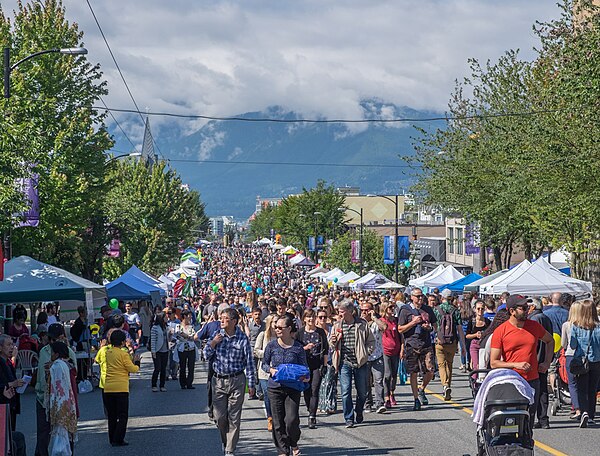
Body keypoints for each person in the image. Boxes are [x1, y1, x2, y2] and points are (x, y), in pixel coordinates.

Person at [490, 295, 554, 431]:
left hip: (532, 380)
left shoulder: (534, 326)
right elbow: (494, 363)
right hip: (512, 381)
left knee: (529, 418)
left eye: (528, 307)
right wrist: (515, 364)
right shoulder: (501, 331)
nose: (527, 310)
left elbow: (550, 341)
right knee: (512, 418)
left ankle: (526, 446)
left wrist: (547, 362)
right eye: (523, 308)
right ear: (512, 311)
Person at [204, 307, 256, 456]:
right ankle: (225, 441)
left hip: (237, 380)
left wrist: (251, 384)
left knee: (234, 417)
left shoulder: (242, 338)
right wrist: (213, 343)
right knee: (220, 417)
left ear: (234, 321)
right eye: (221, 317)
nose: (221, 320)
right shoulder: (216, 335)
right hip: (218, 381)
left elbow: (250, 362)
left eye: (225, 318)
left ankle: (229, 450)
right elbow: (205, 355)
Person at [263, 313, 308, 456]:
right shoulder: (271, 346)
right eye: (275, 327)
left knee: (291, 419)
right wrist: (270, 370)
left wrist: (305, 377)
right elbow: (263, 364)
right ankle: (282, 450)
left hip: (293, 387)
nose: (277, 330)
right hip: (275, 387)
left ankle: (293, 441)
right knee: (277, 422)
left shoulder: (298, 348)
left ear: (289, 329)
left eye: (280, 327)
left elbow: (304, 367)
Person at [329, 299, 375, 428]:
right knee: (346, 391)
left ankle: (359, 410)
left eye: (342, 311)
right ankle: (349, 418)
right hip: (344, 362)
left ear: (350, 311)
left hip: (360, 363)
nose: (340, 314)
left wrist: (366, 353)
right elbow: (332, 344)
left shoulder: (361, 324)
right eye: (339, 311)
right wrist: (333, 341)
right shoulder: (337, 326)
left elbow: (371, 341)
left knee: (362, 392)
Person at [35, 323, 77, 456]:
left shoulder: (67, 352)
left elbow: (73, 374)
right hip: (44, 398)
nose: (52, 342)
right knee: (43, 433)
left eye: (56, 339)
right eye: (51, 339)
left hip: (62, 401)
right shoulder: (44, 351)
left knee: (65, 431)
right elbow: (41, 376)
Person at [398, 288, 437, 410]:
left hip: (426, 344)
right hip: (412, 344)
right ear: (412, 297)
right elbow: (400, 329)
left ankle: (421, 389)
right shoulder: (405, 310)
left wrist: (430, 327)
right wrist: (413, 323)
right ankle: (415, 399)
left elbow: (435, 325)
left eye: (422, 296)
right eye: (418, 296)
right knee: (413, 372)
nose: (420, 299)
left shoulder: (428, 309)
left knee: (431, 370)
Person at [566, 300, 600, 428]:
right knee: (592, 389)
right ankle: (591, 415)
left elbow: (573, 345)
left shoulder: (576, 326)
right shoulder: (599, 326)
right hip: (596, 361)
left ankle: (583, 411)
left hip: (581, 360)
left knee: (581, 389)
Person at [103, 329, 141, 446]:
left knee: (112, 416)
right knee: (122, 415)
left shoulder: (108, 353)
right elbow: (132, 369)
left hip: (108, 387)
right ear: (123, 342)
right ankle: (118, 438)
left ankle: (112, 438)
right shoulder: (123, 354)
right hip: (121, 388)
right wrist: (137, 362)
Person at [296, 309, 327, 428]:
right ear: (304, 319)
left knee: (315, 389)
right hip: (304, 366)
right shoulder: (300, 333)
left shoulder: (320, 332)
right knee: (307, 391)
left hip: (317, 364)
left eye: (313, 317)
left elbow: (325, 349)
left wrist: (324, 365)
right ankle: (310, 408)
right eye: (308, 317)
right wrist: (305, 348)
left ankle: (312, 416)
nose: (311, 319)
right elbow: (296, 350)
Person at [46, 341, 78, 455]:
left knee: (60, 436)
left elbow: (56, 387)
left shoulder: (57, 365)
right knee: (64, 436)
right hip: (68, 402)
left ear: (56, 353)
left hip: (59, 402)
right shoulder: (65, 364)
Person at [433, 293, 466, 401]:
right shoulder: (455, 310)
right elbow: (460, 329)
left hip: (440, 341)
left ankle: (445, 385)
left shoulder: (436, 309)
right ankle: (448, 385)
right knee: (450, 364)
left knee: (441, 364)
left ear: (442, 297)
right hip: (452, 341)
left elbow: (434, 326)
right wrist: (463, 345)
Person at [528, 298, 553, 429]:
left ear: (532, 307)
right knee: (542, 389)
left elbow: (534, 342)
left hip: (536, 360)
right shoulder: (546, 317)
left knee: (534, 389)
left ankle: (536, 418)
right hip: (543, 358)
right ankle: (543, 419)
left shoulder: (534, 320)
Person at [255, 315, 280, 431]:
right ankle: (270, 418)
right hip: (264, 371)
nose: (276, 325)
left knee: (276, 395)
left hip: (277, 370)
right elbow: (256, 351)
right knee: (267, 394)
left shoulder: (280, 336)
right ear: (270, 323)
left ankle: (277, 418)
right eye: (274, 322)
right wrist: (266, 353)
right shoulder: (263, 335)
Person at [363, 300, 387, 414]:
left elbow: (384, 327)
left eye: (367, 310)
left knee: (378, 380)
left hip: (377, 355)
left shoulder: (376, 322)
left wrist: (374, 318)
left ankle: (380, 403)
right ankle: (368, 403)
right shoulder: (359, 323)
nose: (364, 312)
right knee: (366, 382)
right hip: (364, 357)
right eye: (362, 310)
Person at [380, 300, 403, 408]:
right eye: (390, 308)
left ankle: (392, 392)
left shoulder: (396, 321)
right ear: (385, 309)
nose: (392, 309)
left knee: (394, 375)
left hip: (396, 350)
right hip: (385, 351)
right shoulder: (382, 321)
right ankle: (386, 396)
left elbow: (401, 336)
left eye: (393, 307)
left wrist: (402, 349)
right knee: (387, 374)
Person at [0, 335, 24, 430]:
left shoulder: (8, 362)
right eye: (8, 345)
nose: (11, 347)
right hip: (3, 403)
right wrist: (12, 384)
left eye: (12, 344)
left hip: (11, 404)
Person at [174, 309, 198, 389]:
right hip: (182, 348)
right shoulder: (178, 326)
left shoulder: (191, 326)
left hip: (191, 348)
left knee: (191, 366)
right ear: (184, 316)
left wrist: (187, 336)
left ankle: (189, 383)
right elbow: (178, 334)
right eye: (189, 315)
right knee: (182, 366)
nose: (190, 317)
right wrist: (187, 336)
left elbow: (193, 336)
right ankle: (183, 383)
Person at [246, 307, 265, 400]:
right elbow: (247, 337)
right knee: (253, 371)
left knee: (261, 370)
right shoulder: (249, 325)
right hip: (252, 350)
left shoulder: (264, 325)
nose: (257, 316)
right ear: (252, 315)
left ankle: (260, 391)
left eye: (259, 314)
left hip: (261, 351)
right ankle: (253, 391)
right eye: (255, 314)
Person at [466, 300, 491, 371]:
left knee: (483, 366)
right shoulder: (472, 321)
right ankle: (474, 381)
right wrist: (475, 335)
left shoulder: (487, 322)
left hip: (484, 345)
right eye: (478, 308)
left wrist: (484, 335)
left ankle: (481, 381)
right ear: (475, 309)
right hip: (474, 345)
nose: (480, 310)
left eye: (482, 308)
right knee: (476, 366)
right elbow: (467, 336)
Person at [70, 305, 91, 381]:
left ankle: (85, 375)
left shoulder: (86, 321)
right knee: (81, 361)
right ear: (81, 313)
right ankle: (81, 376)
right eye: (85, 312)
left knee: (86, 361)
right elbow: (75, 333)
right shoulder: (78, 323)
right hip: (80, 343)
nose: (86, 314)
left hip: (86, 341)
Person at [150, 312, 169, 392]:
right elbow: (153, 340)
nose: (167, 318)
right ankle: (154, 385)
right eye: (165, 317)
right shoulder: (155, 327)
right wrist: (153, 351)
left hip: (165, 349)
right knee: (157, 368)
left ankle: (162, 385)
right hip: (157, 350)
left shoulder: (166, 327)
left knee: (163, 368)